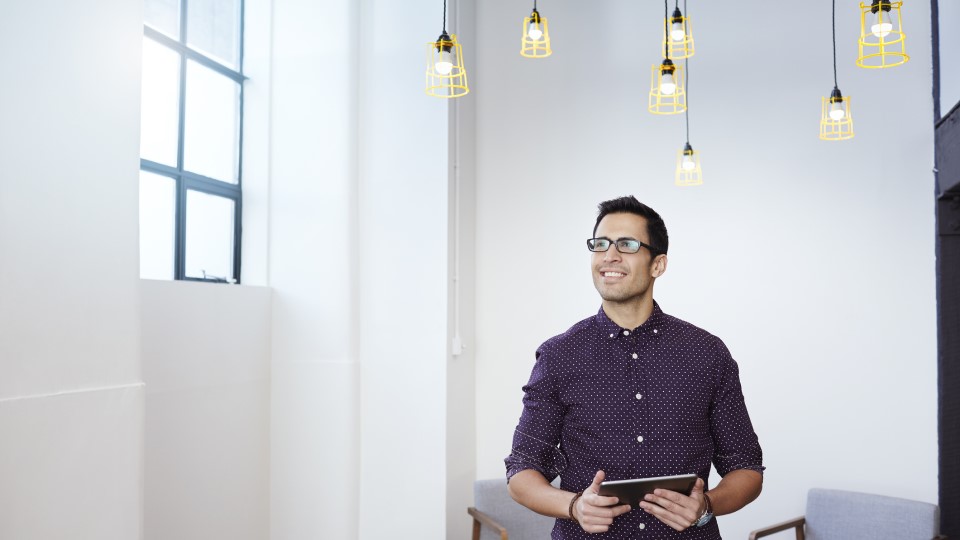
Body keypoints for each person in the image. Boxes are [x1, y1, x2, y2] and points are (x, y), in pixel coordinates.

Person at [504, 196, 764, 539]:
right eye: (600, 244)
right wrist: (574, 506)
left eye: (626, 244)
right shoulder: (559, 355)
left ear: (658, 264)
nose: (609, 255)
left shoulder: (707, 353)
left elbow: (745, 466)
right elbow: (522, 469)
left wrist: (706, 505)